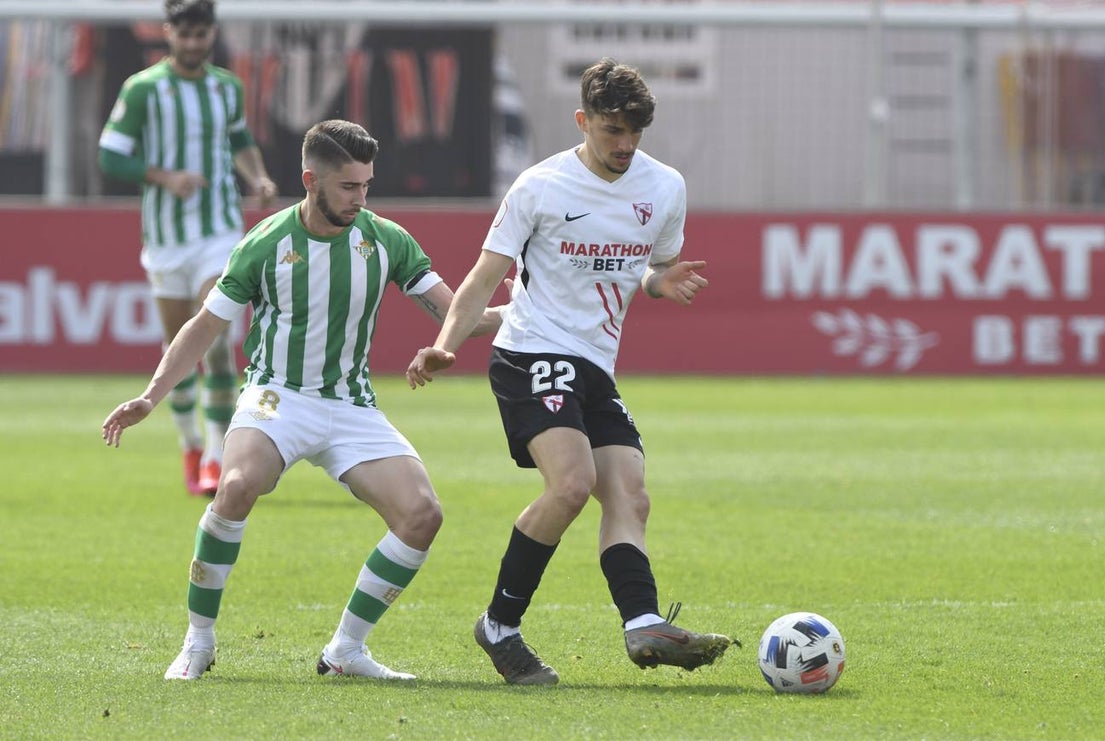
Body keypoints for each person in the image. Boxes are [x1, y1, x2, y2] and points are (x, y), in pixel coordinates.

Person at [102, 118, 504, 681]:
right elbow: (203, 327)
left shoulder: (386, 239)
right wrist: (150, 397)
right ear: (311, 180)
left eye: (366, 185)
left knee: (422, 515)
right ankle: (198, 641)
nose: (360, 198)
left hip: (351, 404)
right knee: (236, 486)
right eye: (348, 186)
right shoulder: (266, 242)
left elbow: (460, 314)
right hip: (277, 397)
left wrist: (523, 310)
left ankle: (345, 651)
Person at [406, 58, 731, 685]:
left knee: (630, 494)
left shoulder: (665, 187)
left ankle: (643, 623)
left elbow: (649, 266)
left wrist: (660, 282)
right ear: (583, 121)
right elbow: (482, 278)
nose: (625, 144)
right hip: (530, 352)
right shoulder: (540, 187)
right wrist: (447, 344)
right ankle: (499, 626)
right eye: (612, 130)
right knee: (573, 484)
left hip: (595, 364)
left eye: (635, 131)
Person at [98, 0, 278, 497]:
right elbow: (110, 155)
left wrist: (257, 176)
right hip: (165, 238)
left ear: (212, 34)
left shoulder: (227, 87)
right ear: (168, 33)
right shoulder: (143, 89)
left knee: (216, 340)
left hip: (219, 231)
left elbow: (239, 139)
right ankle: (190, 445)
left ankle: (217, 457)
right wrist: (165, 177)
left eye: (202, 34)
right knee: (177, 346)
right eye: (185, 34)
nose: (194, 43)